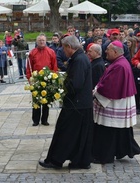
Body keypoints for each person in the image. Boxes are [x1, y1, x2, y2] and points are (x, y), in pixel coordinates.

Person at [39, 35, 93, 169]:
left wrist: (61, 86)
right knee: (78, 135)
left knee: (64, 132)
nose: (63, 51)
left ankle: (55, 160)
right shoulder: (79, 58)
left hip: (76, 104)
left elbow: (76, 84)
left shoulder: (79, 60)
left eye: (63, 47)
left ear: (69, 47)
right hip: (81, 104)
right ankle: (80, 161)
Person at [92, 40, 140, 164]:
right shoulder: (120, 62)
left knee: (109, 130)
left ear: (115, 51)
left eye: (108, 49)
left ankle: (105, 156)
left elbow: (110, 87)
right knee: (117, 130)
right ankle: (122, 151)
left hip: (115, 103)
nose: (105, 52)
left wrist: (96, 90)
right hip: (120, 100)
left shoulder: (119, 65)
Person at [26, 34, 58, 126]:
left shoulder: (51, 52)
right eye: (40, 40)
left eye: (43, 40)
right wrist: (29, 78)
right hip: (36, 80)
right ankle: (35, 120)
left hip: (47, 79)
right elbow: (29, 67)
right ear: (37, 42)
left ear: (46, 41)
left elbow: (54, 66)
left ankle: (44, 119)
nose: (41, 42)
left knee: (46, 100)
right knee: (36, 100)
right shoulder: (32, 53)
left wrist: (53, 78)